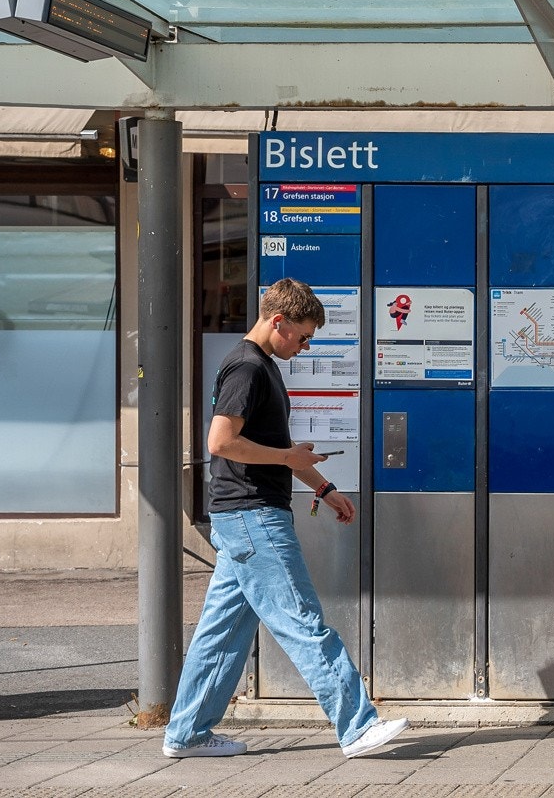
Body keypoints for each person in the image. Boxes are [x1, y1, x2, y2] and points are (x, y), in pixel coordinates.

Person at [162, 278, 408, 759]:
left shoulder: (259, 365)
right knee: (302, 620)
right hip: (254, 516)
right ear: (278, 322)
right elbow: (220, 442)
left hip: (242, 517)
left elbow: (278, 452)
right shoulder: (249, 369)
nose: (306, 344)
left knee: (222, 633)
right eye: (303, 335)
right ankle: (357, 725)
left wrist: (323, 487)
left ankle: (186, 733)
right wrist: (288, 457)